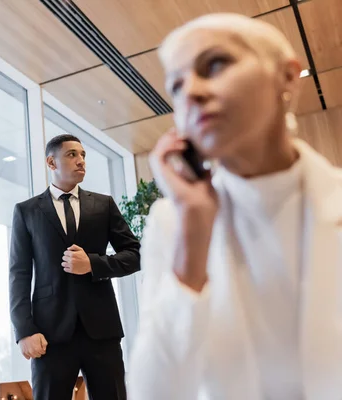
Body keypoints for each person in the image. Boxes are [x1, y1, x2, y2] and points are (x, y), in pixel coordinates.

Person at [128, 13, 342, 400]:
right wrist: (192, 240)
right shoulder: (171, 222)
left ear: (287, 77)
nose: (190, 91)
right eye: (176, 86)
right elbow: (155, 393)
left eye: (215, 64)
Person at [9, 134, 140, 400]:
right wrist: (24, 330)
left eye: (83, 155)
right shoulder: (27, 211)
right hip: (49, 334)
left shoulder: (103, 205)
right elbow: (19, 274)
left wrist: (92, 263)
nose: (81, 161)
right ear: (51, 162)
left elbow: (134, 255)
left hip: (102, 331)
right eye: (72, 155)